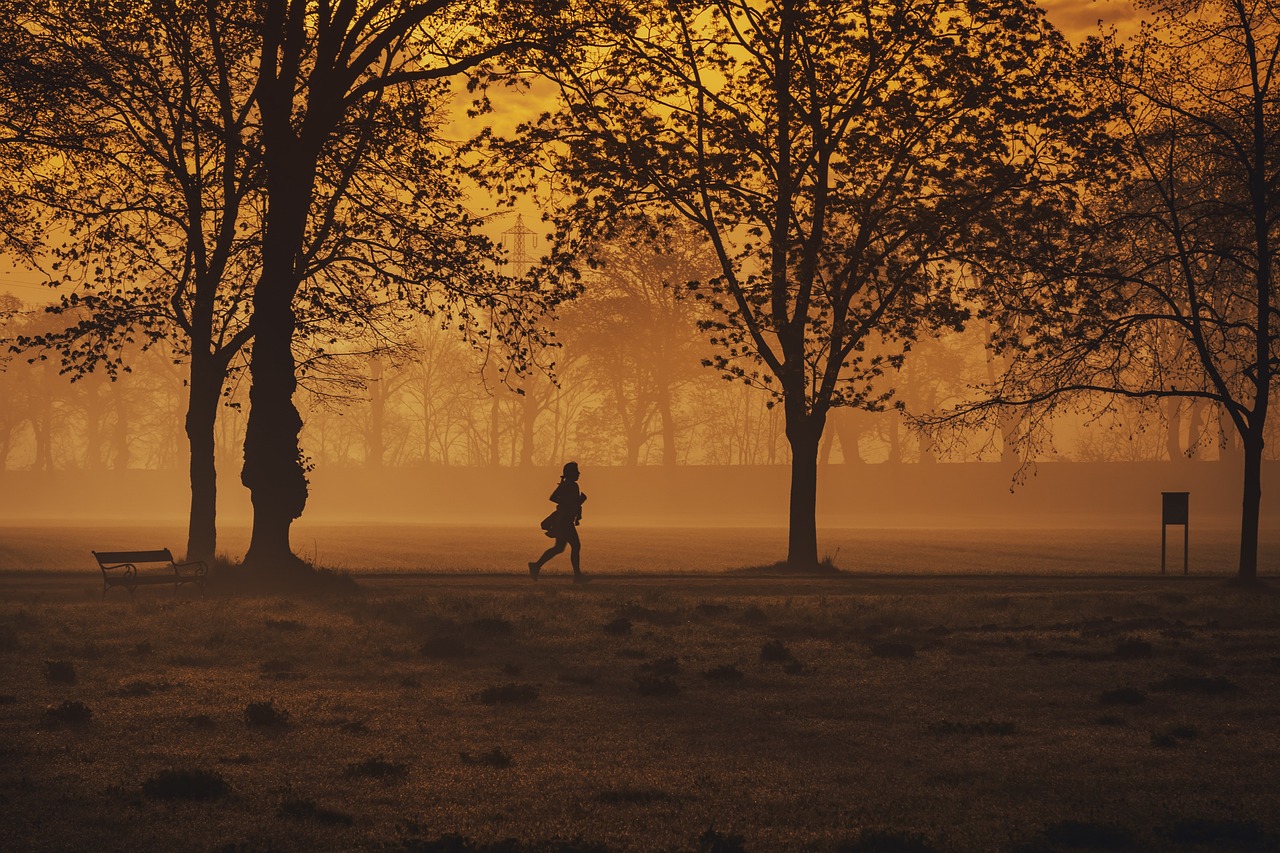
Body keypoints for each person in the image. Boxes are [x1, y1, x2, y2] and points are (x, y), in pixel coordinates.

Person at [529, 461, 587, 582]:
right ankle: (577, 576)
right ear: (571, 473)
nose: (579, 473)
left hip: (565, 520)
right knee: (575, 546)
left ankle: (536, 566)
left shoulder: (572, 485)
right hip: (564, 521)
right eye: (576, 471)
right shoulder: (568, 485)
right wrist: (572, 503)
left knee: (559, 548)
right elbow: (554, 497)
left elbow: (573, 503)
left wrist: (577, 510)